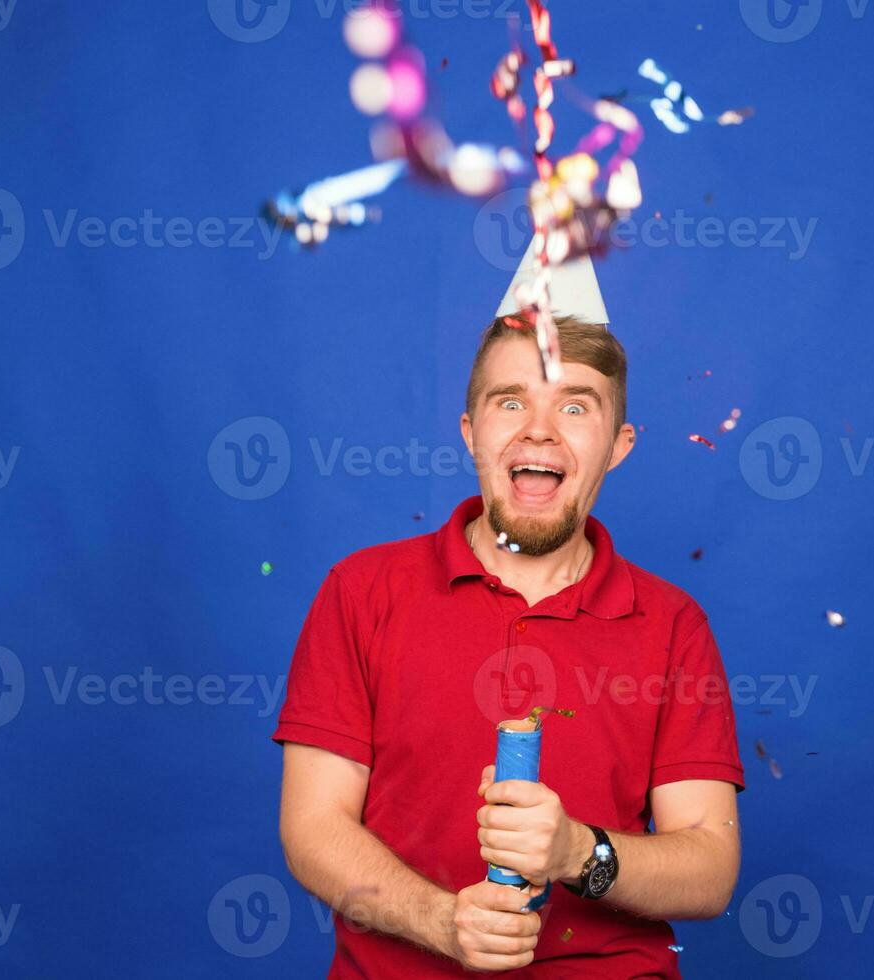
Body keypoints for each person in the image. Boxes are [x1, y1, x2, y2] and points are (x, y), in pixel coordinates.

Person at [274, 252, 744, 977]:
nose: (540, 432)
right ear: (470, 431)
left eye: (576, 406)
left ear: (618, 448)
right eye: (512, 401)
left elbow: (709, 869)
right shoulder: (362, 591)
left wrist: (575, 853)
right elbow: (312, 826)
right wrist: (440, 921)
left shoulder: (672, 625)